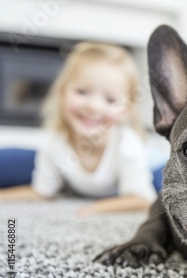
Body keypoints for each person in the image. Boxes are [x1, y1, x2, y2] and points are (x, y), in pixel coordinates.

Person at [0, 42, 158, 215]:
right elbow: (42, 192)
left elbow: (142, 199)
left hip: (154, 165)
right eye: (82, 92)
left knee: (166, 184)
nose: (93, 106)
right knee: (9, 159)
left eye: (110, 100)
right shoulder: (55, 142)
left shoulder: (128, 145)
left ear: (125, 111)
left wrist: (94, 208)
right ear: (62, 93)